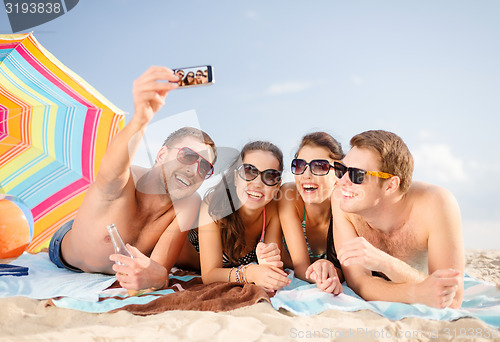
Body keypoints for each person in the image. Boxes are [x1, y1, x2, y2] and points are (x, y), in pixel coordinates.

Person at [48, 66, 217, 293]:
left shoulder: (188, 202)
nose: (194, 170)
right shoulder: (124, 183)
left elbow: (158, 270)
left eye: (205, 166)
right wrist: (140, 119)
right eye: (187, 156)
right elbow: (111, 171)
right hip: (67, 248)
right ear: (161, 155)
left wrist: (157, 275)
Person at [332, 130, 464, 309]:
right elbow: (359, 282)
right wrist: (417, 293)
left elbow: (452, 299)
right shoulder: (342, 199)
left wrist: (386, 263)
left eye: (357, 175)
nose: (342, 181)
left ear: (390, 185)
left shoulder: (436, 204)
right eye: (341, 170)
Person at [189, 141, 291, 292]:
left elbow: (271, 267)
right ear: (236, 178)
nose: (257, 184)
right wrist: (249, 273)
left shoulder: (271, 213)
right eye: (249, 171)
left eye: (270, 176)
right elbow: (209, 275)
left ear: (277, 187)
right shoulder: (214, 205)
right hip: (181, 256)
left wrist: (268, 262)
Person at [278, 132, 344, 295]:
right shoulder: (290, 196)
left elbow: (347, 270)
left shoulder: (344, 205)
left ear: (338, 173)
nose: (306, 175)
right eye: (300, 165)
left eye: (319, 166)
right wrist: (325, 277)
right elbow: (301, 268)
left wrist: (332, 272)